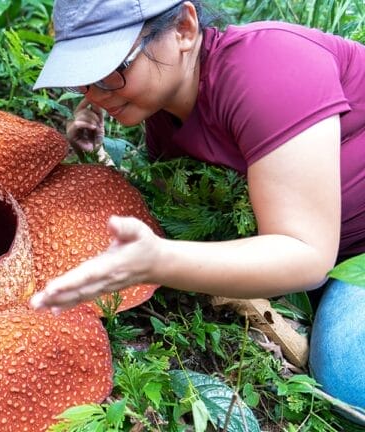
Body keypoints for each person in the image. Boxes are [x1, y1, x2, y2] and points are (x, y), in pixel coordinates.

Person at [28, 0, 365, 422]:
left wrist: (159, 262)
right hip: (342, 262)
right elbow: (179, 210)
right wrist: (98, 157)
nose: (94, 94)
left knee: (353, 374)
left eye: (110, 70)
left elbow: (306, 255)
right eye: (83, 79)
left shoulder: (270, 67)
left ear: (185, 29)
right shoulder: (164, 118)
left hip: (344, 258)